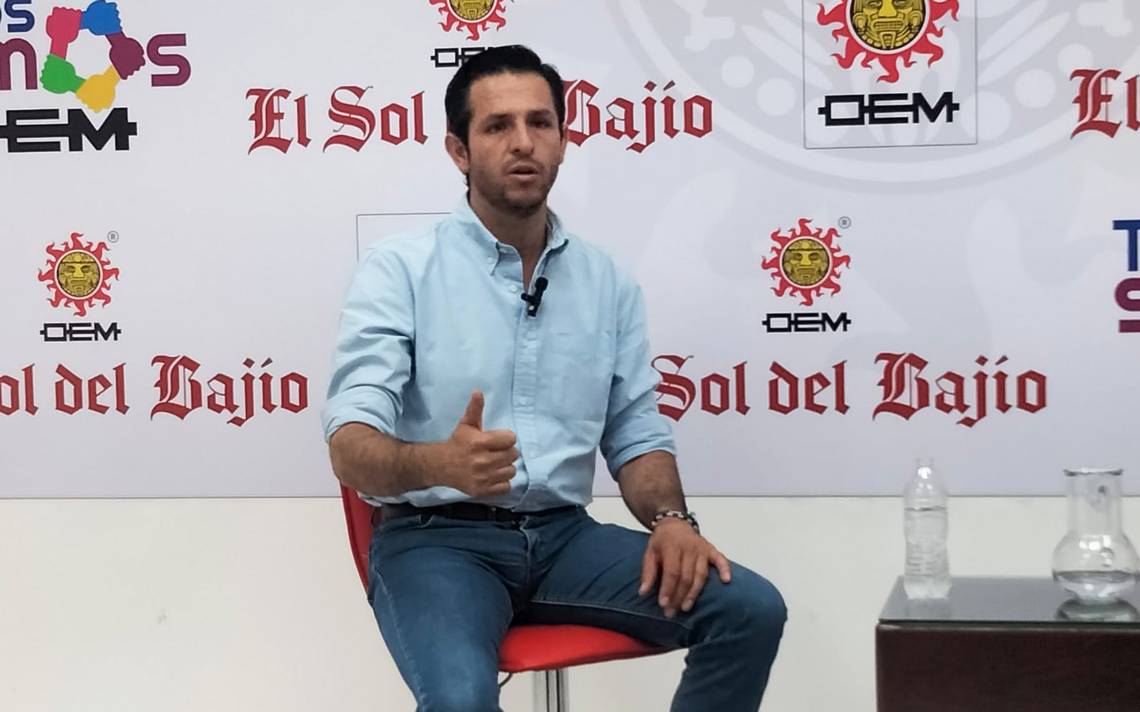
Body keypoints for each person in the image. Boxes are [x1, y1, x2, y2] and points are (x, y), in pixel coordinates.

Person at [322, 44, 785, 711]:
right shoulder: (398, 271)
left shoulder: (605, 281)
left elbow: (635, 433)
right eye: (497, 126)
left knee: (750, 609)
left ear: (564, 141)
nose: (523, 142)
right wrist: (439, 463)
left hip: (566, 539)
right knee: (460, 702)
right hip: (436, 543)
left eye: (540, 123)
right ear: (458, 151)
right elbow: (350, 445)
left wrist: (673, 520)